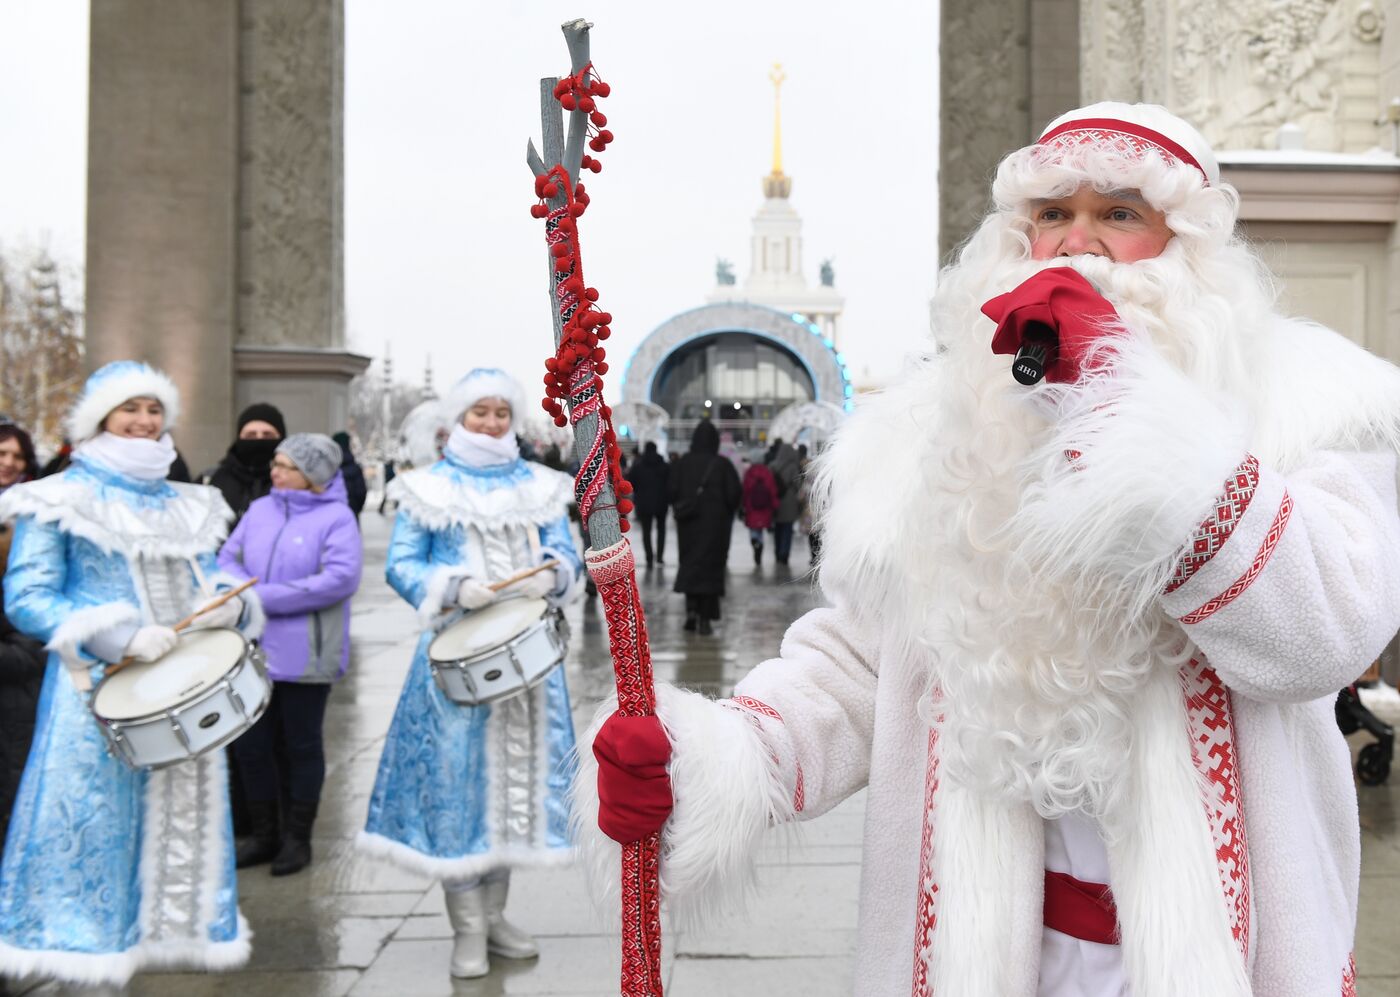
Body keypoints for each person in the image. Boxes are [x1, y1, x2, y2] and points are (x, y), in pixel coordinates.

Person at [576, 103, 1400, 996]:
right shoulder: (936, 428)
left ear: (1185, 242)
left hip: (1226, 957)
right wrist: (723, 758)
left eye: (1119, 213)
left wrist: (1137, 427)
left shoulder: (1308, 405)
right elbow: (862, 666)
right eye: (1053, 215)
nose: (1078, 243)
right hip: (991, 953)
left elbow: (1329, 631)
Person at [0, 361, 264, 993]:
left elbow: (209, 574)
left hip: (177, 692)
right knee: (93, 831)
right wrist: (113, 632)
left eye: (154, 410)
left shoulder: (187, 501)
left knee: (168, 838)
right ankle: (82, 969)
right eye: (131, 409)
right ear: (101, 418)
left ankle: (131, 955)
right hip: (95, 696)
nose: (145, 422)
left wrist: (231, 602)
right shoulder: (57, 496)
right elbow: (28, 595)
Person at [358, 368, 583, 980]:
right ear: (457, 419)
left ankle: (495, 915)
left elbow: (565, 555)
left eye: (500, 413)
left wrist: (552, 573)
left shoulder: (541, 486)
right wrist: (454, 586)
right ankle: (467, 927)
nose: (490, 422)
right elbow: (403, 565)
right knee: (459, 793)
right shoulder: (424, 488)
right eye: (479, 412)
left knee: (512, 794)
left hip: (528, 664)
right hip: (452, 667)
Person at [219, 432, 362, 877]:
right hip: (250, 651)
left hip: (306, 654)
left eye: (286, 465)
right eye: (276, 463)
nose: (274, 471)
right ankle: (263, 834)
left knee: (300, 746)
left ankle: (297, 838)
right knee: (251, 746)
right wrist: (236, 590)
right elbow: (227, 558)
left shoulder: (337, 518)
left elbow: (339, 578)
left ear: (313, 476)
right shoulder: (261, 509)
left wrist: (262, 597)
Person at [0, 423, 43, 859]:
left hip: (15, 698)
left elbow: (29, 644)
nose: (9, 463)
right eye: (2, 453)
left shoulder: (34, 518)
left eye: (17, 456)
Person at [668, 421, 741, 635]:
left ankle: (691, 609)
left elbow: (671, 490)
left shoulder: (682, 464)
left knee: (690, 563)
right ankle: (705, 618)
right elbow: (734, 495)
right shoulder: (722, 465)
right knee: (710, 568)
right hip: (715, 527)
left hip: (688, 524)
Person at [203, 402, 286, 525]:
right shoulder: (212, 479)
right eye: (250, 435)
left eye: (267, 435)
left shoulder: (295, 481)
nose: (259, 440)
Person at [625, 440, 670, 568]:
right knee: (661, 530)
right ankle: (660, 557)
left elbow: (631, 483)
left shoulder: (638, 466)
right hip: (662, 502)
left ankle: (649, 557)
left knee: (646, 531)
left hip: (644, 503)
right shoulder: (664, 465)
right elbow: (670, 483)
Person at [740, 447, 779, 566]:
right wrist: (775, 505)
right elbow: (772, 490)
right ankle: (759, 547)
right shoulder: (767, 472)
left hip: (752, 507)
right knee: (760, 528)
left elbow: (745, 491)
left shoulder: (749, 473)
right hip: (765, 507)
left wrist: (743, 505)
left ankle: (754, 541)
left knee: (754, 528)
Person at [765, 440, 801, 566]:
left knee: (777, 528)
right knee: (787, 529)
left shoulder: (772, 466)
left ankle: (777, 551)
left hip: (774, 501)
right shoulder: (793, 467)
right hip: (789, 501)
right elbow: (798, 485)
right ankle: (784, 554)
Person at [331, 430, 367, 519]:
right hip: (351, 512)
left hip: (332, 514)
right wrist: (356, 509)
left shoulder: (329, 467)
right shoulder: (355, 468)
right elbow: (361, 493)